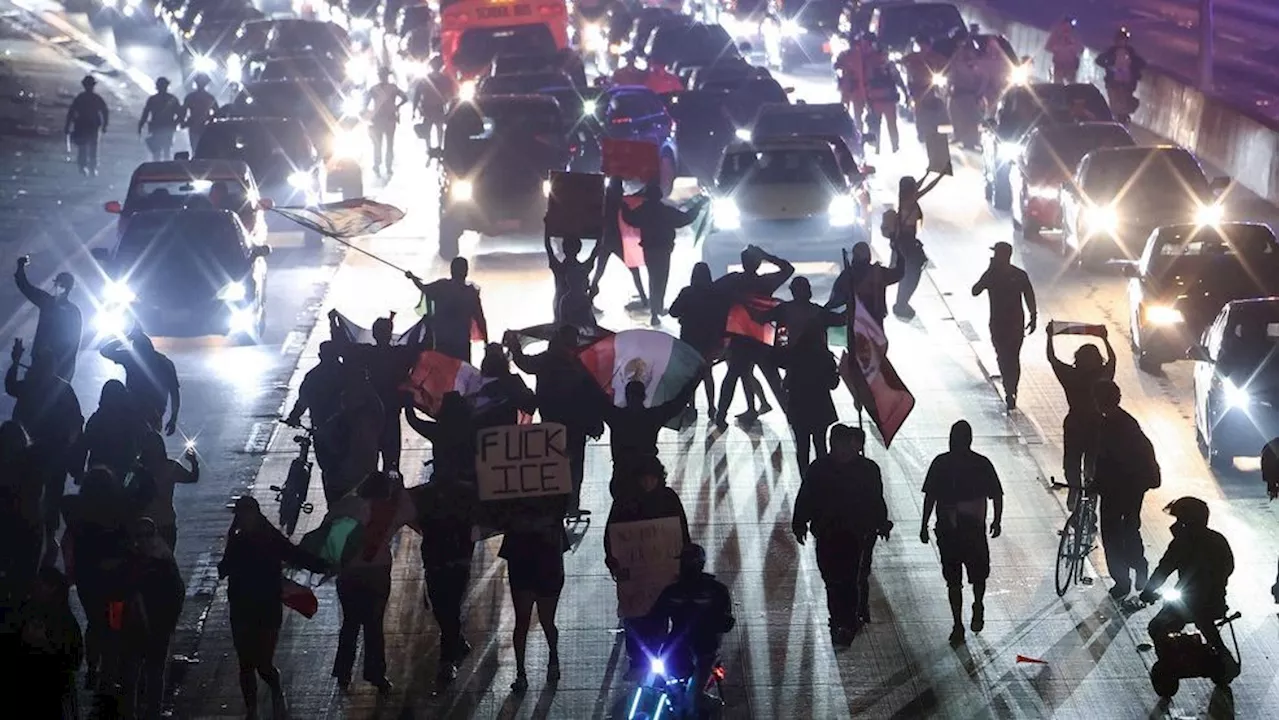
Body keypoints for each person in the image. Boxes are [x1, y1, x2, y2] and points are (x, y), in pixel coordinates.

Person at [217, 497, 328, 718]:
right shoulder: (237, 540)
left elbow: (295, 555)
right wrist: (232, 541)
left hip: (266, 606)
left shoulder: (270, 538)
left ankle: (275, 689)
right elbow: (224, 568)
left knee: (263, 662)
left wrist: (323, 565)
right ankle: (251, 709)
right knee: (246, 662)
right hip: (242, 607)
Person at [793, 425, 891, 644]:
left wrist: (881, 522)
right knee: (831, 579)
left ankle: (845, 621)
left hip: (855, 534)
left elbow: (876, 499)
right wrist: (799, 522)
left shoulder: (867, 469)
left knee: (849, 579)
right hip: (827, 533)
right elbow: (806, 496)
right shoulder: (819, 468)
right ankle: (838, 618)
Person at [331, 471, 418, 692]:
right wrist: (399, 490)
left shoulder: (347, 505)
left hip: (348, 572)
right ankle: (376, 674)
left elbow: (329, 528)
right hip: (377, 571)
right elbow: (412, 513)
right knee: (374, 625)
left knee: (350, 623)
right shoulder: (391, 509)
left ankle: (343, 673)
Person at [604, 456, 690, 677]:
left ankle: (660, 657)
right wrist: (613, 561)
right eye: (644, 479)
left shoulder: (668, 498)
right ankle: (638, 660)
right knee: (635, 616)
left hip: (662, 573)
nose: (648, 483)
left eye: (651, 478)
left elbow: (681, 530)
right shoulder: (625, 502)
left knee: (660, 616)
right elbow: (611, 534)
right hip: (636, 576)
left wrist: (684, 558)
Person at [920, 420, 1004, 645]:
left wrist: (924, 525)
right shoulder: (982, 464)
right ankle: (977, 604)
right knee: (978, 575)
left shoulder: (940, 463)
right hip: (973, 531)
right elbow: (996, 494)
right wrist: (996, 521)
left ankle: (958, 624)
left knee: (953, 580)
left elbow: (930, 497)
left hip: (948, 531)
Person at [507, 326, 603, 517]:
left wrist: (514, 346)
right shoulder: (579, 362)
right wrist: (596, 422)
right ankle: (572, 504)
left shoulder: (546, 359)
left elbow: (524, 363)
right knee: (575, 465)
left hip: (551, 420)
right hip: (577, 423)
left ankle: (555, 503)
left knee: (554, 464)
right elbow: (593, 394)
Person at [410, 418, 478, 685]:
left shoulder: (427, 497)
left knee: (444, 610)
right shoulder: (467, 494)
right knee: (447, 610)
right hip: (454, 561)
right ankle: (456, 643)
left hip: (440, 563)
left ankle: (447, 659)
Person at [1138, 497, 1237, 673]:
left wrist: (1148, 592)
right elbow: (1229, 567)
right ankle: (1222, 654)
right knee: (1207, 624)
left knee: (1157, 627)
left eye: (1180, 519)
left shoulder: (1181, 544)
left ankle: (1171, 664)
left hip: (1187, 602)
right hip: (1216, 600)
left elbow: (1163, 569)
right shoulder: (1218, 539)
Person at [6, 341, 82, 565]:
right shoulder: (57, 387)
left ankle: (45, 536)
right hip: (44, 452)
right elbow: (76, 420)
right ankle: (44, 537)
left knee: (46, 495)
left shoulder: (42, 386)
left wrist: (16, 362)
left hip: (46, 452)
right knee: (44, 494)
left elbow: (10, 386)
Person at [762, 277, 844, 472]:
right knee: (821, 445)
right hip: (820, 402)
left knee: (802, 446)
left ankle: (806, 480)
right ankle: (822, 480)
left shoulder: (784, 315)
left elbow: (778, 345)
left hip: (798, 401)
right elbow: (833, 382)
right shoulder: (823, 351)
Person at [1090, 380, 1159, 600]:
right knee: (1129, 528)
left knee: (1112, 533)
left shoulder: (1109, 425)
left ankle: (1123, 580)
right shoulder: (1125, 422)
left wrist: (1096, 483)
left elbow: (1106, 460)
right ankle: (1137, 566)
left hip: (1119, 487)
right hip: (1132, 487)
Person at [331, 311, 424, 474]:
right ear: (390, 334)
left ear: (374, 334)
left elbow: (343, 347)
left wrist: (334, 324)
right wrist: (427, 324)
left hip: (369, 418)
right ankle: (395, 495)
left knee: (368, 469)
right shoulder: (399, 355)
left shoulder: (366, 354)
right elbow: (420, 346)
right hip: (391, 414)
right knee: (392, 466)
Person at [713, 246, 795, 428]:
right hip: (762, 338)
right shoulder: (766, 283)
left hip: (740, 338)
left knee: (732, 377)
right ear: (758, 263)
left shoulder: (734, 280)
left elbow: (712, 289)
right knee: (774, 380)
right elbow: (788, 269)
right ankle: (791, 416)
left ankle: (721, 415)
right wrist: (766, 255)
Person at [648, 544, 735, 704]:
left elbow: (654, 618)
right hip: (687, 651)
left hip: (695, 652)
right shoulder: (716, 590)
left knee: (694, 700)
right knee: (657, 688)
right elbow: (655, 618)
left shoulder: (674, 591)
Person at [122, 517, 184, 720]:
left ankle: (151, 713)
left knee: (153, 673)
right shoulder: (131, 560)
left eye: (147, 535)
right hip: (134, 627)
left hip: (157, 626)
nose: (144, 540)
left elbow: (176, 593)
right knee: (132, 675)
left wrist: (168, 622)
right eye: (140, 536)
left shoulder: (163, 563)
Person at [595, 378, 700, 499]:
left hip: (622, 475)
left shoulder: (616, 416)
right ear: (644, 397)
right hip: (649, 477)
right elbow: (679, 402)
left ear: (626, 397)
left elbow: (598, 398)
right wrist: (695, 379)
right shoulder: (653, 416)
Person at [1047, 324, 1115, 507]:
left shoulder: (1070, 375)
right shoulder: (1102, 375)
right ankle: (1090, 499)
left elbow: (1052, 359)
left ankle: (1073, 491)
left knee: (1072, 462)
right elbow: (1112, 362)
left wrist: (1049, 337)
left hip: (1075, 424)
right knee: (1093, 464)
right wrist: (1105, 339)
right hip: (1097, 426)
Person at [2, 566, 83, 718]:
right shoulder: (26, 611)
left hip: (51, 686)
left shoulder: (63, 620)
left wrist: (45, 644)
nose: (34, 587)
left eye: (40, 584)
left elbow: (73, 658)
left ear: (52, 588)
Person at [500, 520, 570, 692]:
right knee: (547, 621)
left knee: (522, 623)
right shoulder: (552, 514)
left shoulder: (515, 515)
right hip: (548, 568)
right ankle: (553, 660)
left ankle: (521, 673)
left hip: (523, 569)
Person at [971, 242, 1037, 410]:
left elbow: (975, 290)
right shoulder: (1020, 274)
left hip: (998, 323)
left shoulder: (992, 275)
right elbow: (1029, 295)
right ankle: (1012, 389)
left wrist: (989, 270)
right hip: (1016, 323)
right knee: (1013, 357)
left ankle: (1009, 389)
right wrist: (1033, 316)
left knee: (1002, 355)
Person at [621, 184, 695, 325]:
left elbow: (630, 219)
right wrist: (698, 207)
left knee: (653, 278)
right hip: (664, 249)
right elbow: (685, 219)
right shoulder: (665, 211)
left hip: (649, 249)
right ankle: (657, 309)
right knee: (661, 279)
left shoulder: (643, 211)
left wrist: (624, 206)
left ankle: (656, 311)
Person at [668, 263, 729, 423]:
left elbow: (673, 311)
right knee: (707, 373)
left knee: (689, 375)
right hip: (709, 339)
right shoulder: (715, 294)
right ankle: (711, 407)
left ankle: (691, 406)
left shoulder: (687, 293)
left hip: (689, 339)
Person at [284, 340, 345, 490]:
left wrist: (294, 416)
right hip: (344, 430)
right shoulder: (347, 373)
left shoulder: (313, 376)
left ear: (320, 356)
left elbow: (303, 400)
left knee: (328, 469)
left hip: (323, 429)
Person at [407, 257, 488, 363]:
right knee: (462, 373)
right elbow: (480, 319)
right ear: (466, 272)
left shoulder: (442, 286)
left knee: (442, 373)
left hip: (443, 340)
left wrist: (413, 278)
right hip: (461, 341)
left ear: (451, 271)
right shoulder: (470, 293)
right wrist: (486, 342)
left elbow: (424, 288)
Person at [100, 330, 181, 436]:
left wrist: (126, 338)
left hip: (135, 410)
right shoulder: (165, 363)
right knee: (149, 442)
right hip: (153, 411)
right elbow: (174, 392)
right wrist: (173, 418)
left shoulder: (131, 359)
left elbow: (105, 351)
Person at [14, 257, 82, 380]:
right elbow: (74, 344)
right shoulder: (74, 312)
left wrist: (20, 267)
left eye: (56, 284)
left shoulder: (48, 303)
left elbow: (25, 287)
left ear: (62, 287)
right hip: (60, 368)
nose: (54, 287)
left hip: (43, 363)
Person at [590, 178, 650, 312]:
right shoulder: (619, 201)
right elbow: (635, 197)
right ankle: (644, 299)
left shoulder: (604, 200)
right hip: (616, 240)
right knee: (634, 269)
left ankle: (589, 301)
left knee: (599, 271)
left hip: (605, 239)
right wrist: (647, 186)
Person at [888, 175, 942, 319]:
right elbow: (927, 188)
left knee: (905, 274)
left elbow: (918, 187)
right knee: (912, 275)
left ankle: (901, 302)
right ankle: (901, 303)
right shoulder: (910, 201)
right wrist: (940, 175)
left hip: (901, 244)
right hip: (908, 244)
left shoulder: (903, 199)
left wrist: (927, 173)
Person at [134, 432, 198, 552]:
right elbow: (192, 478)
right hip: (165, 520)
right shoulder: (169, 466)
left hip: (143, 522)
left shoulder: (136, 469)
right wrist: (193, 462)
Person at [75, 379, 144, 484]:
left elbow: (83, 446)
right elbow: (141, 441)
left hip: (97, 469)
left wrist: (78, 471)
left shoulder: (97, 419)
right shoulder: (131, 419)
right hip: (123, 469)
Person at [825, 240, 903, 326]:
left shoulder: (847, 274)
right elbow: (898, 273)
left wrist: (824, 312)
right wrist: (899, 253)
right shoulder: (878, 272)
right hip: (875, 321)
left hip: (855, 319)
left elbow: (836, 299)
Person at [474, 343, 538, 428]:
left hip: (483, 434)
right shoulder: (512, 382)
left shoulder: (475, 382)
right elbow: (529, 404)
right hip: (506, 434)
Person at [545, 232, 601, 330]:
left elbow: (548, 247)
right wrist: (602, 231)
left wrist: (547, 229)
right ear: (579, 249)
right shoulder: (583, 269)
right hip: (580, 308)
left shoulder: (559, 268)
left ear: (563, 249)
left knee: (562, 333)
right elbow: (596, 250)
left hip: (560, 309)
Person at [1095, 28, 1146, 123]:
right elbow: (1099, 60)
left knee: (1124, 106)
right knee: (1116, 106)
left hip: (1126, 84)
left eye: (1124, 40)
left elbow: (1140, 63)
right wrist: (1110, 66)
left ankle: (1122, 122)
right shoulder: (1111, 51)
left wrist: (1134, 70)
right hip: (1114, 84)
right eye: (1120, 40)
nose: (1122, 42)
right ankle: (1115, 124)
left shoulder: (1130, 52)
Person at [364, 68, 409, 175]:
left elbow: (365, 103)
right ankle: (386, 166)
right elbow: (405, 98)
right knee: (388, 144)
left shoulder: (374, 89)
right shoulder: (393, 88)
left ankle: (378, 164)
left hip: (379, 119)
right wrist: (396, 107)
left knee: (378, 144)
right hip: (389, 118)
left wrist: (369, 113)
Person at [65, 75, 108, 176]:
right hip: (91, 126)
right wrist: (105, 125)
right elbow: (104, 111)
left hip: (82, 125)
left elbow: (71, 112)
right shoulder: (96, 98)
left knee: (83, 147)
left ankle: (83, 167)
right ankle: (91, 168)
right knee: (92, 148)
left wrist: (67, 126)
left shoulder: (80, 98)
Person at [864, 48, 905, 154]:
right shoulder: (873, 67)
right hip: (878, 100)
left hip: (886, 100)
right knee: (877, 124)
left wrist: (905, 93)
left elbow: (898, 80)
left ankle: (894, 146)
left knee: (889, 124)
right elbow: (867, 83)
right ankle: (880, 147)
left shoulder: (888, 67)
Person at [412, 56, 457, 150]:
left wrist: (414, 109)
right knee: (438, 129)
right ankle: (438, 148)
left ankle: (430, 149)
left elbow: (417, 94)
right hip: (437, 107)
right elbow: (451, 95)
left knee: (428, 130)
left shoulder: (426, 79)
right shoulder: (444, 79)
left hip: (429, 107)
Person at [138, 77, 183, 161]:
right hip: (165, 127)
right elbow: (181, 115)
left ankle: (158, 168)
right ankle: (165, 168)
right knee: (165, 150)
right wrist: (175, 123)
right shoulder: (171, 99)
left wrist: (141, 125)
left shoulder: (153, 99)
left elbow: (145, 113)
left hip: (159, 127)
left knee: (159, 151)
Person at [834, 34, 869, 126]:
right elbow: (837, 67)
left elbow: (836, 67)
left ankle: (854, 135)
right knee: (853, 115)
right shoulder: (863, 56)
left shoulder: (847, 55)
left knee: (854, 115)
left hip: (855, 89)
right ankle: (853, 134)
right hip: (853, 88)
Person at [181, 73, 218, 152]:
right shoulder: (209, 97)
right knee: (204, 149)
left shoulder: (190, 97)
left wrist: (183, 122)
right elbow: (217, 112)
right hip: (204, 126)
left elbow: (183, 112)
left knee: (196, 149)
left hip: (197, 126)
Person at [1045, 16, 1084, 84]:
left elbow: (1081, 50)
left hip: (1071, 67)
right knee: (1058, 86)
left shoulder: (1075, 37)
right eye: (1065, 27)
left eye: (1069, 27)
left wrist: (1072, 45)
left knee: (1071, 87)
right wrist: (1057, 48)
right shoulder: (1056, 36)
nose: (1066, 29)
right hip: (1059, 66)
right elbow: (1047, 47)